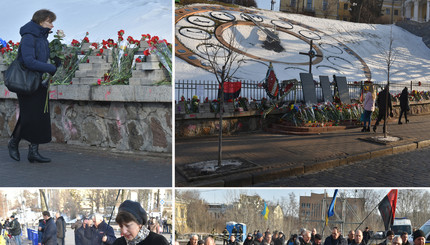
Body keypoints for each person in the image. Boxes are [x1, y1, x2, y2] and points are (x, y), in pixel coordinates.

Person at [8, 9, 60, 163]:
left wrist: (56, 59)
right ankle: (14, 142)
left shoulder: (43, 37)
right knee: (28, 116)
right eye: (49, 22)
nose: (52, 26)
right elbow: (28, 61)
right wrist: (50, 68)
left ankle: (33, 152)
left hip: (39, 82)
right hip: (26, 82)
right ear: (41, 21)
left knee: (39, 116)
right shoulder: (29, 37)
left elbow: (42, 56)